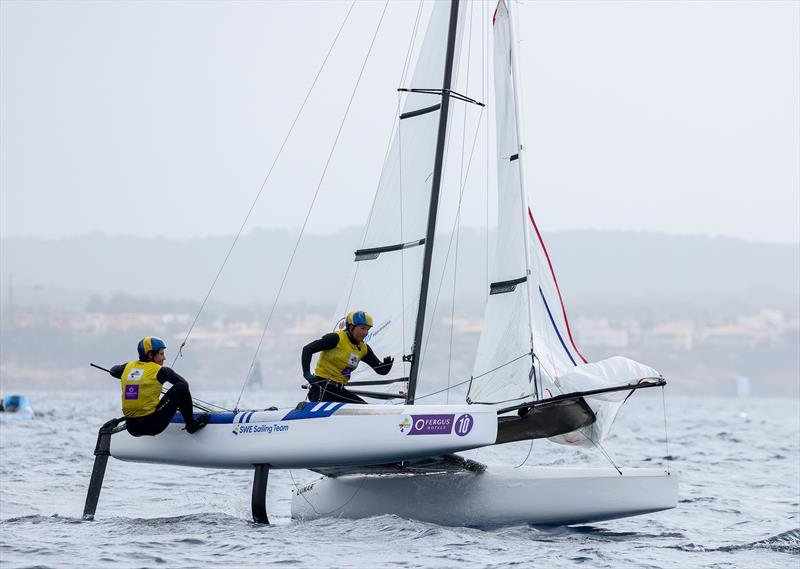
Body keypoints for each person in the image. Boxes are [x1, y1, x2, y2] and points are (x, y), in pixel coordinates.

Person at [109, 336, 209, 436]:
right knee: (181, 388)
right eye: (161, 354)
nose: (164, 358)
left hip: (132, 428)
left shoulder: (127, 367)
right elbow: (184, 385)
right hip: (153, 425)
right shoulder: (162, 371)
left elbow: (113, 371)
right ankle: (191, 425)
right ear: (150, 354)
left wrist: (134, 380)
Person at [301, 310, 394, 404]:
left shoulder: (363, 348)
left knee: (364, 409)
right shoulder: (336, 338)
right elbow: (307, 349)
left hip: (339, 390)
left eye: (368, 329)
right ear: (351, 327)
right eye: (363, 328)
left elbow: (380, 370)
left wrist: (386, 367)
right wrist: (307, 373)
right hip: (322, 387)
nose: (366, 333)